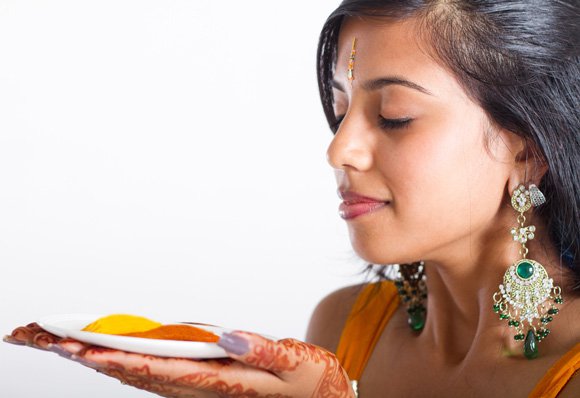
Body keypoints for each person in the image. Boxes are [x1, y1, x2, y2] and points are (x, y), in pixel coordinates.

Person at [5, 0, 580, 396]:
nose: (340, 150)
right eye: (339, 111)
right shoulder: (345, 323)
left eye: (394, 117)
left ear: (525, 150)